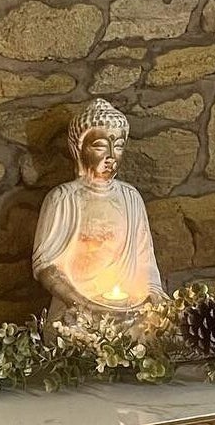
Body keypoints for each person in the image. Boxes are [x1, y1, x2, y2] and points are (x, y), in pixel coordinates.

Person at [32, 98, 167, 326]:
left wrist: (153, 297)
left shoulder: (130, 198)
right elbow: (46, 266)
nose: (111, 156)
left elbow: (146, 262)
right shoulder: (64, 198)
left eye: (119, 146)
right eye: (100, 146)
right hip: (78, 309)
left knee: (158, 330)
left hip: (129, 308)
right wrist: (81, 304)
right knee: (74, 334)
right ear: (79, 149)